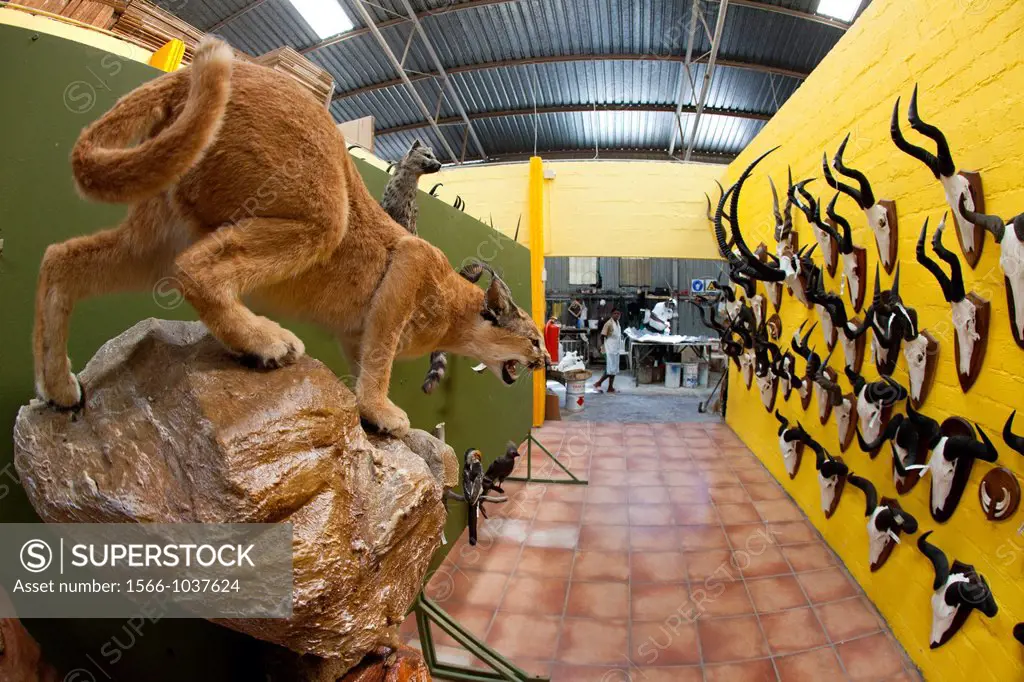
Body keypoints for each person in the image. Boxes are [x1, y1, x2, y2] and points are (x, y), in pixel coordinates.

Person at [594, 309, 623, 394]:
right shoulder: (608, 324)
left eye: (618, 313)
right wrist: (603, 346)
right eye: (615, 313)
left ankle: (610, 387)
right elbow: (602, 336)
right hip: (609, 349)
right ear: (611, 314)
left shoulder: (617, 323)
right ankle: (598, 383)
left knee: (613, 369)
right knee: (610, 369)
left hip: (616, 349)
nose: (617, 315)